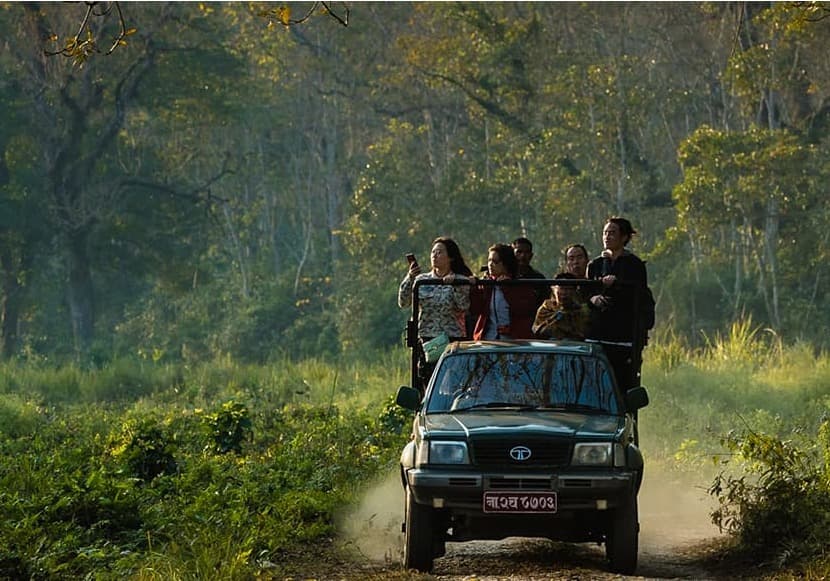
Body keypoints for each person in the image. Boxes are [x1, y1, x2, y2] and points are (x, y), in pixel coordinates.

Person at [399, 237, 473, 390]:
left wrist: (454, 286)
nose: (435, 256)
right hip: (428, 339)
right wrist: (410, 277)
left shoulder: (460, 280)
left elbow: (463, 306)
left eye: (440, 252)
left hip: (452, 339)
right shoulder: (422, 280)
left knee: (453, 383)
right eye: (433, 252)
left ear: (450, 257)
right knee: (428, 382)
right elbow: (403, 302)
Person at [585, 217, 649, 392]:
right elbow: (585, 293)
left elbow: (639, 295)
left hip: (622, 336)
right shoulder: (595, 265)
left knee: (621, 384)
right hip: (597, 334)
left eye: (612, 233)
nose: (607, 236)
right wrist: (594, 299)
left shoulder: (634, 265)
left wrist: (617, 284)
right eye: (605, 232)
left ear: (624, 237)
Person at [469, 244, 537, 341]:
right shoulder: (486, 284)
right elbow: (475, 310)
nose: (490, 265)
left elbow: (524, 310)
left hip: (513, 341)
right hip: (488, 339)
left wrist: (507, 289)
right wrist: (474, 289)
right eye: (489, 260)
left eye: (495, 262)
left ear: (506, 264)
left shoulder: (520, 285)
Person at [532, 272, 591, 340]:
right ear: (554, 289)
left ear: (574, 291)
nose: (564, 293)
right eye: (561, 288)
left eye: (568, 289)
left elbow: (583, 332)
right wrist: (558, 317)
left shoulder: (580, 310)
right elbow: (538, 330)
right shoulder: (546, 308)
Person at [512, 236, 547, 307]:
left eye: (527, 252)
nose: (523, 256)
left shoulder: (539, 278)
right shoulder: (506, 277)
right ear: (512, 254)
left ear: (531, 256)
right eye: (519, 252)